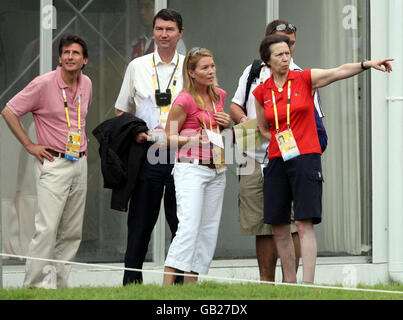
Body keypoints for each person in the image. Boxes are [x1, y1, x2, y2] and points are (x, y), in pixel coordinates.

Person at [253, 34, 393, 283]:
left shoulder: (304, 78)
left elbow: (338, 71)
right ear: (267, 61)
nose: (286, 59)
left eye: (288, 53)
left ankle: (306, 284)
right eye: (279, 55)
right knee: (278, 225)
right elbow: (263, 126)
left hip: (306, 156)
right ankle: (289, 284)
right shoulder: (261, 91)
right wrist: (276, 138)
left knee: (304, 223)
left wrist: (366, 64)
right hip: (277, 158)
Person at [1, 34, 92, 288]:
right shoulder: (43, 83)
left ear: (84, 60)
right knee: (47, 228)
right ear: (60, 58)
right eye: (65, 53)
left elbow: (80, 121)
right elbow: (9, 111)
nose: (70, 57)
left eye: (75, 53)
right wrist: (29, 145)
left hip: (79, 162)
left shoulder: (87, 84)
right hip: (53, 162)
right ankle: (34, 286)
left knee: (71, 231)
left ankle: (59, 285)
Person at [230, 20, 313, 282]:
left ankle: (291, 283)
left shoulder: (301, 75)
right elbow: (234, 107)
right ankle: (266, 283)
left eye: (291, 43)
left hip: (289, 156)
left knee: (292, 222)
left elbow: (316, 116)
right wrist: (244, 122)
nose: (287, 49)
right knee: (261, 224)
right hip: (253, 155)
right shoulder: (253, 71)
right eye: (281, 42)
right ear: (267, 46)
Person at [114, 8, 185, 285]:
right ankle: (131, 284)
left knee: (180, 222)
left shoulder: (189, 67)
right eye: (159, 29)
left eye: (169, 29)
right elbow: (121, 111)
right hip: (147, 153)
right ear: (153, 31)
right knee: (140, 223)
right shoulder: (138, 66)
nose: (163, 34)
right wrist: (136, 134)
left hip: (182, 153)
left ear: (180, 33)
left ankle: (181, 285)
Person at [163, 47, 231, 285]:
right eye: (204, 67)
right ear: (191, 72)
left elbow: (217, 131)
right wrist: (192, 139)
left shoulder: (219, 96)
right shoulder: (184, 100)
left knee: (208, 230)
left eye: (212, 66)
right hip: (190, 168)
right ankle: (167, 286)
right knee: (188, 227)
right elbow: (167, 137)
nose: (211, 71)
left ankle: (192, 286)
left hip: (217, 169)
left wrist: (226, 123)